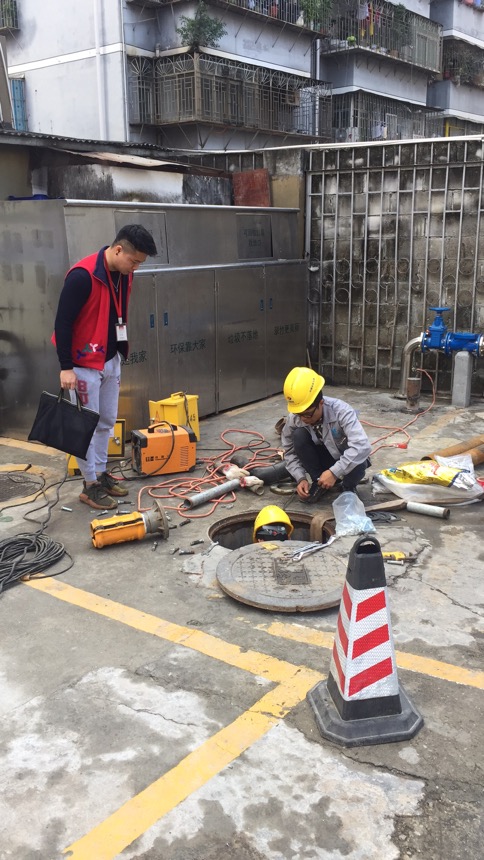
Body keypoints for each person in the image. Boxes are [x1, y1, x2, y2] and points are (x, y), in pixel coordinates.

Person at [54, 224, 158, 509]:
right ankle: (89, 486)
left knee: (106, 422)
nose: (135, 268)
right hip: (83, 364)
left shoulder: (124, 274)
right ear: (118, 249)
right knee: (85, 427)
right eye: (134, 261)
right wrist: (66, 367)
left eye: (140, 264)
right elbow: (62, 323)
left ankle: (100, 474)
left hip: (110, 358)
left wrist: (117, 355)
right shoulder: (82, 276)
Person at [281, 367, 372, 504]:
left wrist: (334, 472)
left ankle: (348, 487)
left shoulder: (341, 411)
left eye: (308, 414)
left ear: (321, 403)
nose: (303, 419)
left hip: (344, 459)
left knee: (359, 460)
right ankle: (319, 482)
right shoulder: (295, 418)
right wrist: (300, 478)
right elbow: (289, 451)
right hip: (324, 458)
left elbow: (361, 446)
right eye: (299, 414)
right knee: (299, 435)